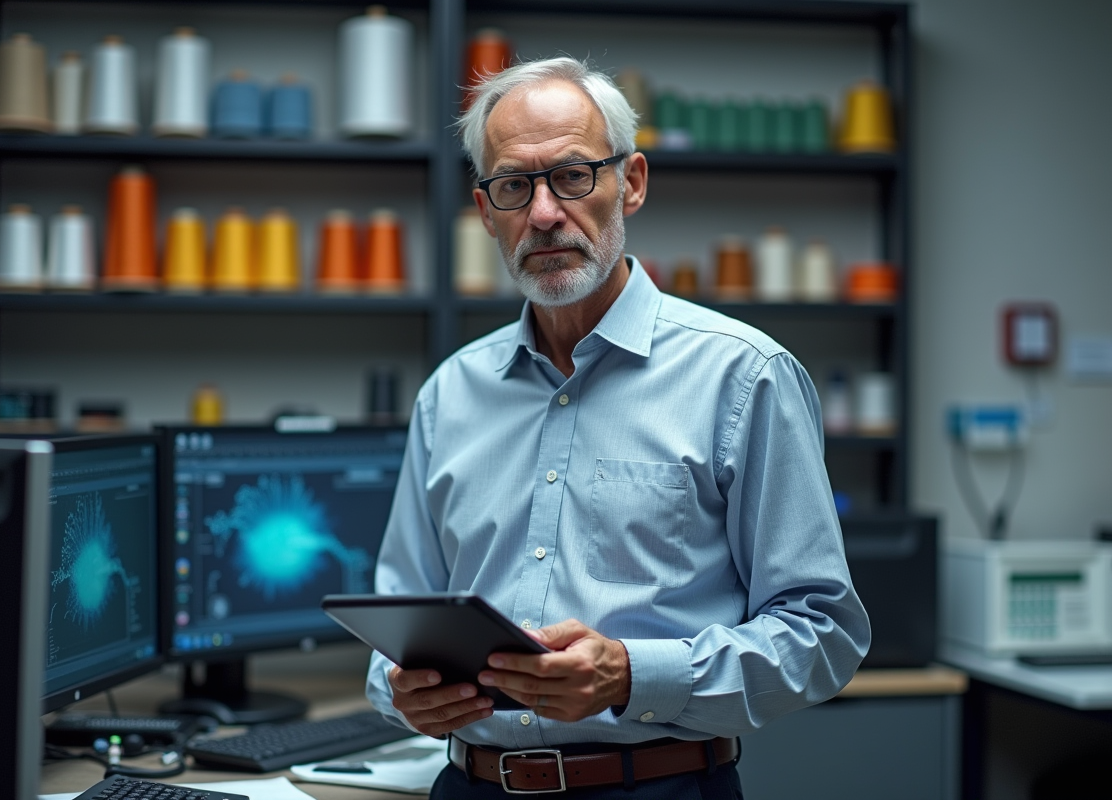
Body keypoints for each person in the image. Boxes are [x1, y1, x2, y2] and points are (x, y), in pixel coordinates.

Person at [366, 56, 870, 799]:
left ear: (630, 182)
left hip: (658, 787)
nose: (543, 214)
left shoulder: (744, 376)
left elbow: (823, 634)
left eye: (573, 175)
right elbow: (399, 615)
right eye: (514, 186)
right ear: (485, 210)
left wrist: (632, 675)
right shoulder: (450, 394)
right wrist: (399, 690)